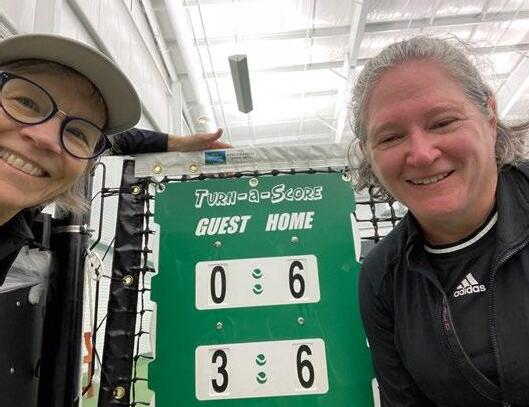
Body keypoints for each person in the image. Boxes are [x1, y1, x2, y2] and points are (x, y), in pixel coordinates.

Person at [353, 36, 529, 406]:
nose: (421, 154)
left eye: (443, 122)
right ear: (368, 152)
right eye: (391, 137)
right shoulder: (382, 277)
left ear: (489, 115)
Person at [0, 33, 230, 286]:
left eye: (76, 133)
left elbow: (118, 140)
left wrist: (180, 144)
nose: (47, 139)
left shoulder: (20, 212)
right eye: (25, 103)